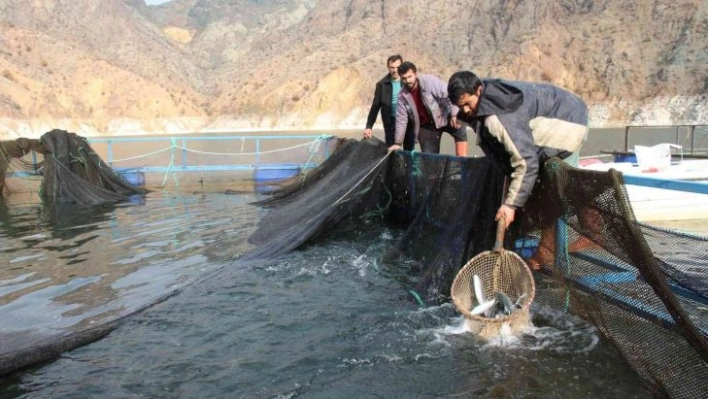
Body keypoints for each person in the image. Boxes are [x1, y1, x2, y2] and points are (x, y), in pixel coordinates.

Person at [447, 71, 590, 268]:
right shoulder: (480, 100)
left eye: (468, 104)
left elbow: (526, 162)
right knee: (529, 186)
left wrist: (511, 205)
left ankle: (563, 246)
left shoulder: (499, 118)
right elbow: (508, 158)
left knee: (553, 186)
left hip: (570, 120)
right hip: (550, 114)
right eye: (459, 106)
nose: (465, 110)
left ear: (479, 90)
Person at [387, 62, 468, 156]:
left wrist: (454, 113)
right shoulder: (402, 96)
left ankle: (463, 161)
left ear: (415, 74)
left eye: (410, 77)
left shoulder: (429, 82)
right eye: (404, 78)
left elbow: (449, 93)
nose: (408, 81)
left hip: (445, 115)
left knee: (459, 122)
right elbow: (401, 121)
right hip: (426, 126)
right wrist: (398, 143)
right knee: (430, 159)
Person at [363, 54, 415, 150]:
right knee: (392, 151)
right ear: (388, 67)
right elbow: (375, 106)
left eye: (397, 67)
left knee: (409, 151)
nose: (395, 70)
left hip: (408, 122)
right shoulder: (381, 85)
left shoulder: (409, 82)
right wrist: (369, 126)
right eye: (392, 67)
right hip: (391, 123)